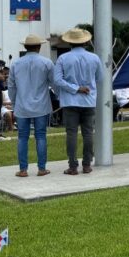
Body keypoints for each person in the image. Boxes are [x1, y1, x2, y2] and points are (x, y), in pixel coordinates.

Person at [54, 27, 103, 174]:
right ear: (85, 42)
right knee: (88, 133)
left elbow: (57, 80)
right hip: (88, 100)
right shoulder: (94, 58)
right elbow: (100, 78)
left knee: (71, 133)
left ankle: (72, 165)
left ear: (70, 43)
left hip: (70, 101)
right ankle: (87, 164)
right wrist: (84, 87)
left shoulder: (63, 58)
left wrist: (75, 88)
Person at [8, 34, 54, 177]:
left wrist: (15, 102)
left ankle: (23, 169)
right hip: (41, 105)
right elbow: (54, 83)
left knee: (22, 137)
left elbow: (11, 86)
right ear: (39, 47)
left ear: (25, 47)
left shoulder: (15, 63)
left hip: (22, 105)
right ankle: (41, 168)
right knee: (41, 136)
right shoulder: (47, 62)